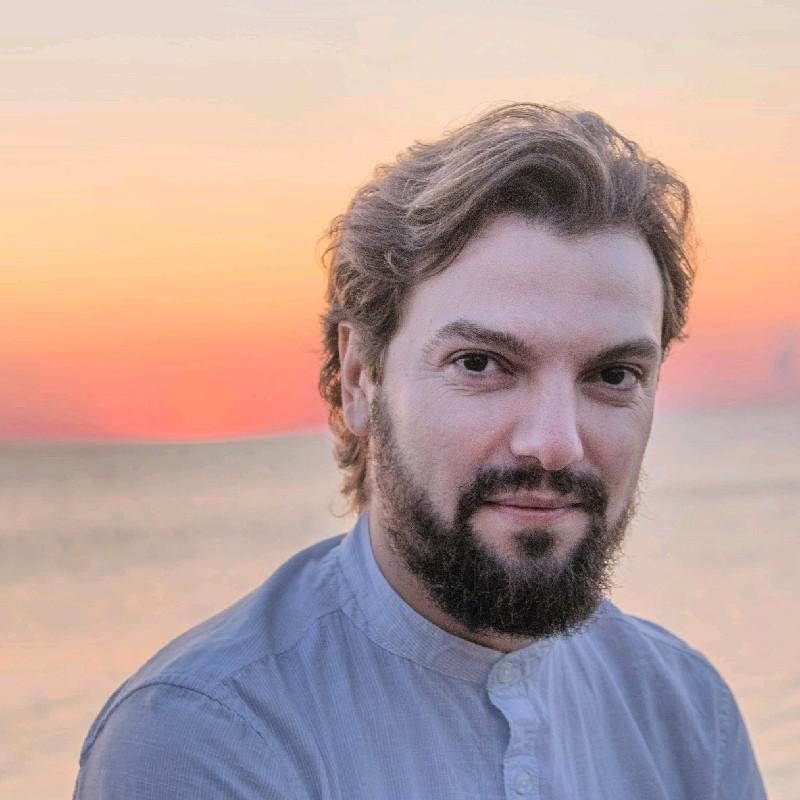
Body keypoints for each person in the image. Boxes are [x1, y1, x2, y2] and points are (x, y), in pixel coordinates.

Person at [74, 104, 766, 799]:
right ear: (359, 379)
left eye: (613, 375)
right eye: (481, 363)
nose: (556, 442)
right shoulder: (207, 738)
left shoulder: (687, 715)